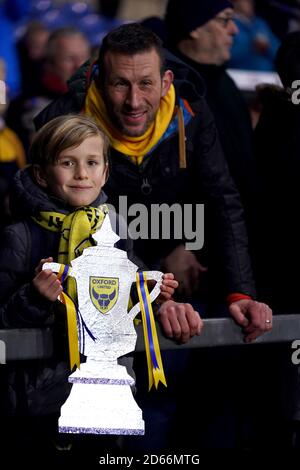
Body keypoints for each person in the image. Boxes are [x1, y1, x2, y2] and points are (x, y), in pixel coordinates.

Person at [0, 114, 201, 460]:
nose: (82, 174)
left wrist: (155, 297)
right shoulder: (18, 237)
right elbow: (3, 321)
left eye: (92, 162)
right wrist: (34, 297)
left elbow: (131, 291)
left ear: (105, 172)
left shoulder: (115, 227)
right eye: (68, 163)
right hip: (40, 406)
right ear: (41, 174)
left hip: (108, 398)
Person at [164, 0, 259, 246]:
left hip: (233, 236)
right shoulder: (166, 89)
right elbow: (163, 179)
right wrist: (175, 243)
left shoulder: (225, 82)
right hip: (191, 245)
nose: (234, 30)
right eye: (225, 20)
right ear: (194, 27)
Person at [229, 0, 280, 72]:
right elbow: (227, 54)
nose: (250, 3)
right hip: (239, 75)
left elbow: (279, 52)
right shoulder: (229, 23)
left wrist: (268, 46)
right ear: (234, 2)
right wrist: (251, 46)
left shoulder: (260, 23)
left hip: (268, 75)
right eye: (246, 1)